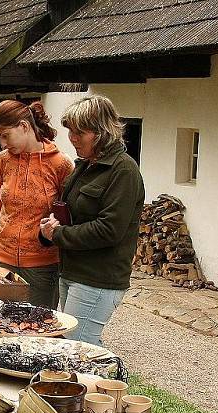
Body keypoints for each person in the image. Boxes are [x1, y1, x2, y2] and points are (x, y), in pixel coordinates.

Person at [39, 95, 145, 345]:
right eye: (71, 131)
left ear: (101, 132)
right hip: (73, 271)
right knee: (72, 344)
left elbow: (109, 230)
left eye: (80, 132)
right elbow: (70, 212)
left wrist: (58, 234)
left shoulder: (123, 171)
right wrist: (50, 226)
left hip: (98, 277)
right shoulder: (86, 165)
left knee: (79, 346)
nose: (72, 138)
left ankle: (111, 384)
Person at [0, 100, 74, 309]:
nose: (3, 144)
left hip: (43, 265)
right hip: (0, 259)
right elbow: (0, 207)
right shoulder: (1, 161)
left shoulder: (61, 164)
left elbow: (65, 214)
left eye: (5, 136)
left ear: (24, 126)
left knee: (38, 330)